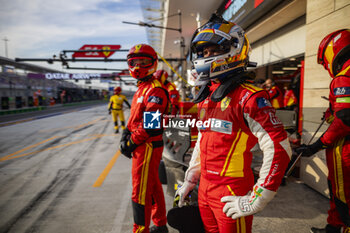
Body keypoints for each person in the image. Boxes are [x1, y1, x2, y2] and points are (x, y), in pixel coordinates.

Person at [175, 14, 292, 233]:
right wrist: (191, 177)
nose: (208, 56)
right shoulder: (207, 95)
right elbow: (203, 139)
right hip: (204, 188)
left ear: (236, 49)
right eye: (205, 52)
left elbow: (279, 147)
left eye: (216, 50)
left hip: (232, 190)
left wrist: (258, 197)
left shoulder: (250, 97)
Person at [295, 29, 350, 233]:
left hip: (345, 148)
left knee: (344, 196)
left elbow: (344, 119)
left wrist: (317, 145)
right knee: (338, 191)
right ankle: (334, 228)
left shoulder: (344, 77)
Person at [120, 44, 169, 233]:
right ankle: (160, 224)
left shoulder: (155, 90)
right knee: (154, 186)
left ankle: (140, 230)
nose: (138, 66)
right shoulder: (142, 88)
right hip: (142, 144)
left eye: (143, 62)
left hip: (147, 146)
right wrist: (126, 132)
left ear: (153, 63)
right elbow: (135, 118)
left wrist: (131, 142)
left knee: (140, 192)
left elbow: (151, 124)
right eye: (134, 62)